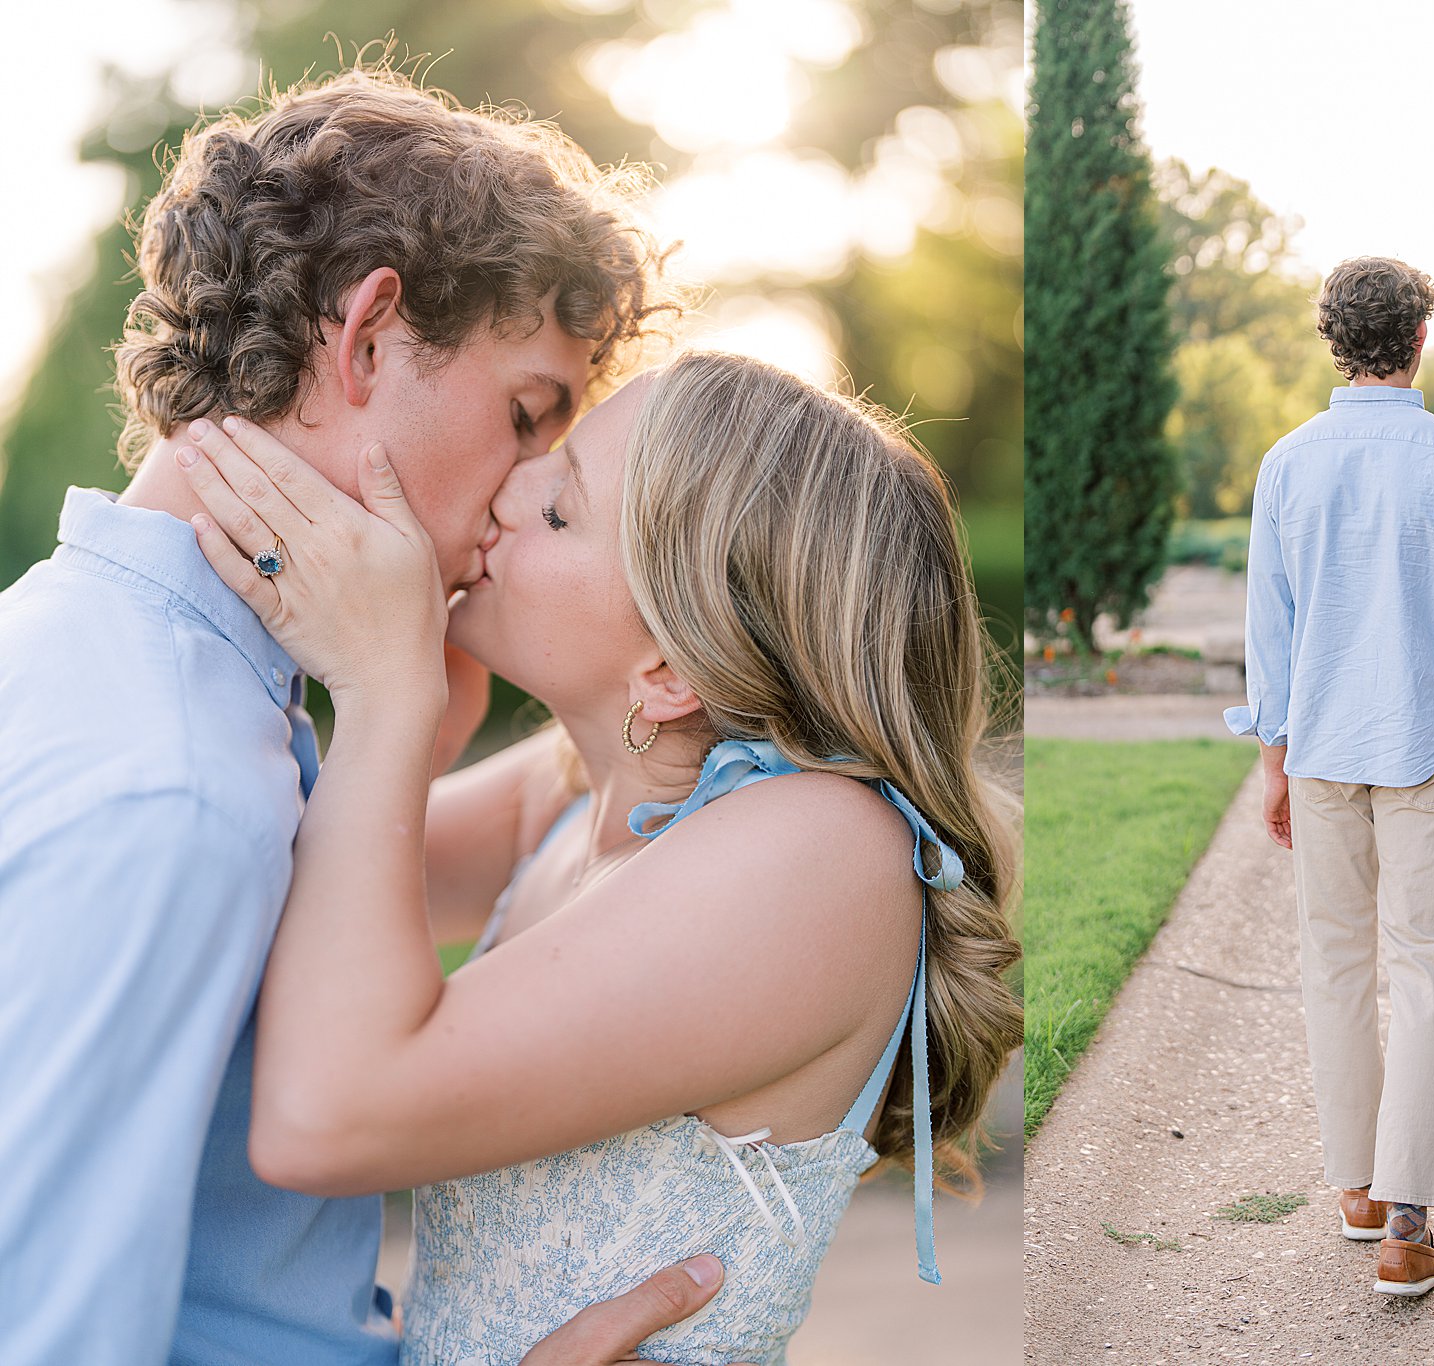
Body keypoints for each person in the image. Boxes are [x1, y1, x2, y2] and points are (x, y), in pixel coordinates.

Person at [0, 69, 743, 1365]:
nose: (521, 497)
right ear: (370, 337)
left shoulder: (90, 653)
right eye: (527, 417)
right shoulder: (173, 794)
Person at [172, 349, 1022, 1362]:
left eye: (562, 509)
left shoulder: (823, 850)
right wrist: (420, 726)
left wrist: (387, 696)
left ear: (665, 672)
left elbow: (324, 1117)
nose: (510, 481)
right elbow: (265, 886)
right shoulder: (579, 787)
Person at [1225, 255, 1434, 1299]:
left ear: (1334, 339)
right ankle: (1406, 1225)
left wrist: (1271, 759)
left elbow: (1266, 628)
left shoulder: (1287, 461)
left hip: (1321, 747)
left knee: (1333, 963)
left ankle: (1357, 1187)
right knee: (1423, 970)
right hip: (1421, 745)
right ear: (1419, 338)